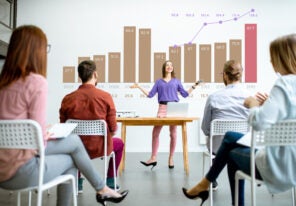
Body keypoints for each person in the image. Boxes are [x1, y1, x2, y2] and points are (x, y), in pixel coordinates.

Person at [0, 25, 128, 206]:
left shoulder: (3, 83)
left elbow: (55, 125)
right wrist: (45, 133)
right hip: (22, 169)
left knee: (74, 146)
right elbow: (39, 142)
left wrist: (44, 131)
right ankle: (104, 187)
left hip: (3, 163)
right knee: (76, 152)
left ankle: (100, 188)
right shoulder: (36, 83)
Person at [182, 33, 296, 206]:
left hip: (279, 166)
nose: (271, 63)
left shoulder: (284, 84)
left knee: (229, 150)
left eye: (273, 58)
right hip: (292, 160)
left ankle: (210, 186)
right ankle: (205, 184)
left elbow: (259, 123)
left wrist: (253, 105)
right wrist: (266, 106)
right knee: (230, 138)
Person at [59, 60, 124, 191]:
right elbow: (113, 128)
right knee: (119, 144)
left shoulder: (68, 98)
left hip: (75, 147)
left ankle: (78, 183)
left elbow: (63, 127)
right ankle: (110, 181)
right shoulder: (105, 96)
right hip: (99, 147)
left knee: (73, 146)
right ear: (95, 74)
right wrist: (105, 137)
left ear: (79, 76)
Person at [130, 60, 201, 169]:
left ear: (173, 68)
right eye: (167, 65)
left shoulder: (176, 81)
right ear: (164, 68)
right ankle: (153, 158)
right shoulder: (159, 82)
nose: (169, 66)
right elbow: (150, 95)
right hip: (162, 108)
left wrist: (195, 85)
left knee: (173, 134)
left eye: (171, 65)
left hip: (174, 108)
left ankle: (171, 158)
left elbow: (185, 94)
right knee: (155, 132)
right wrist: (139, 87)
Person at [201, 59, 251, 190]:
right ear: (241, 75)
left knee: (213, 140)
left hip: (217, 147)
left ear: (224, 75)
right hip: (241, 146)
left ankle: (211, 179)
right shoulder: (249, 97)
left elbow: (205, 129)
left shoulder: (214, 97)